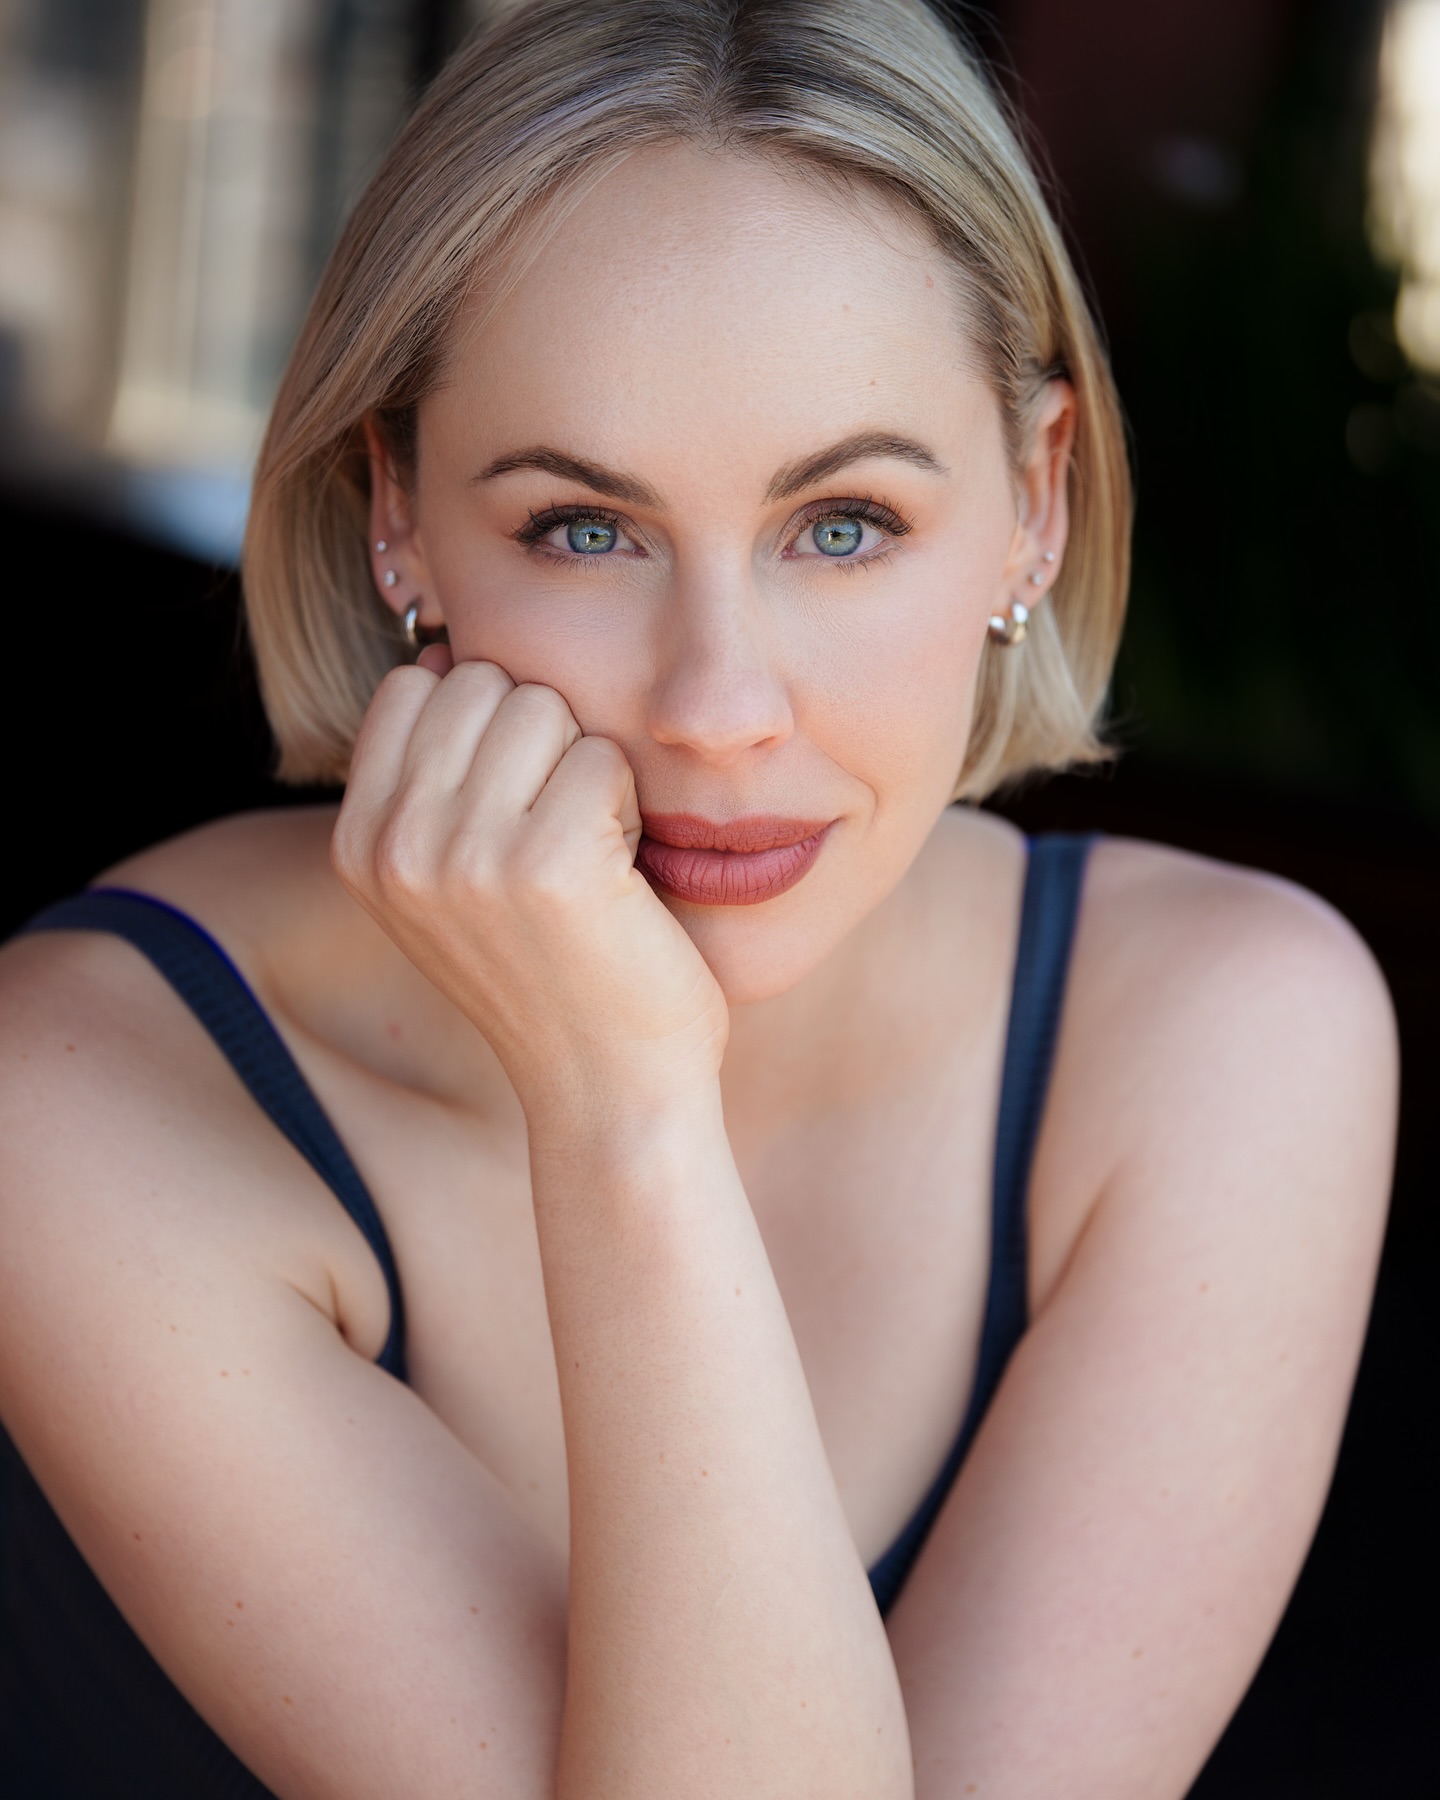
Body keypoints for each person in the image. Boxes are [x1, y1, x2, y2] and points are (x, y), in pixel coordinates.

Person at [0, 1, 1397, 1795]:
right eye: (586, 529)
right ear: (398, 514)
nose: (718, 709)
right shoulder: (82, 1099)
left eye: (845, 524)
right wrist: (629, 1111)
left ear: (1036, 506)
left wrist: (626, 1105)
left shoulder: (1226, 1042)